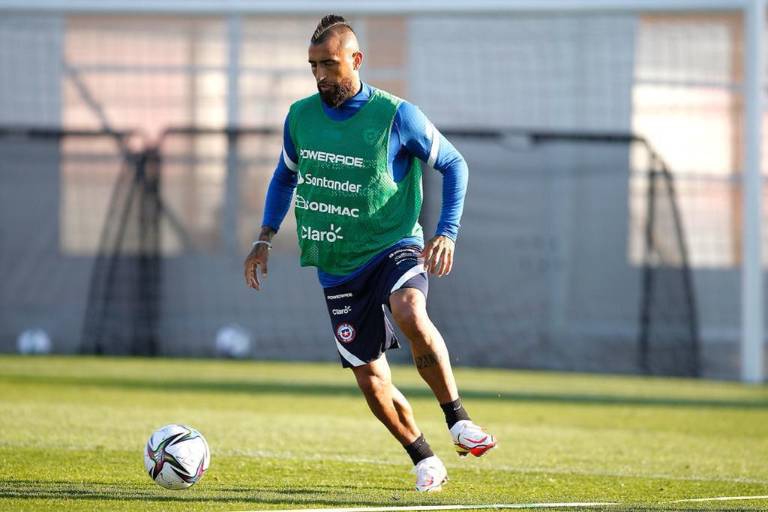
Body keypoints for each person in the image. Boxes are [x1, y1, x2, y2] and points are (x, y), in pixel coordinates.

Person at [243, 14, 496, 492]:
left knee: (409, 308)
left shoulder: (398, 116)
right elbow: (283, 177)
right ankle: (423, 457)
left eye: (329, 64)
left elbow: (454, 163)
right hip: (336, 265)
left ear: (356, 60)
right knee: (370, 378)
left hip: (393, 245)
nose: (320, 75)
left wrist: (447, 231)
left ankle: (458, 419)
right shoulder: (300, 117)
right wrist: (263, 237)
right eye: (313, 65)